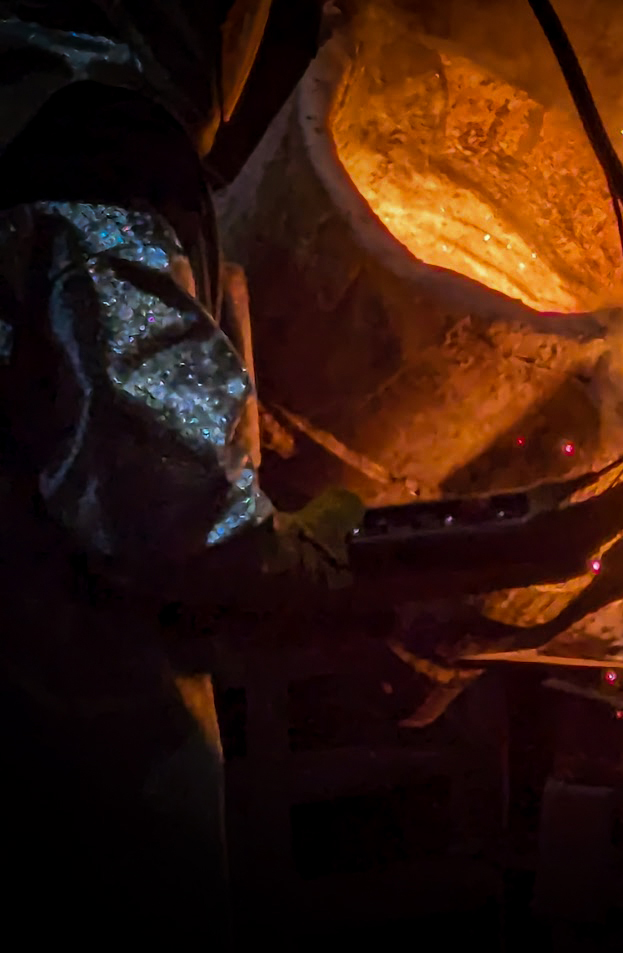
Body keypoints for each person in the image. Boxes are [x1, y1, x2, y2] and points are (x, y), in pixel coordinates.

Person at [0, 2, 359, 945]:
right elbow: (174, 523)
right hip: (78, 746)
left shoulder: (19, 100)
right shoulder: (90, 145)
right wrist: (314, 551)